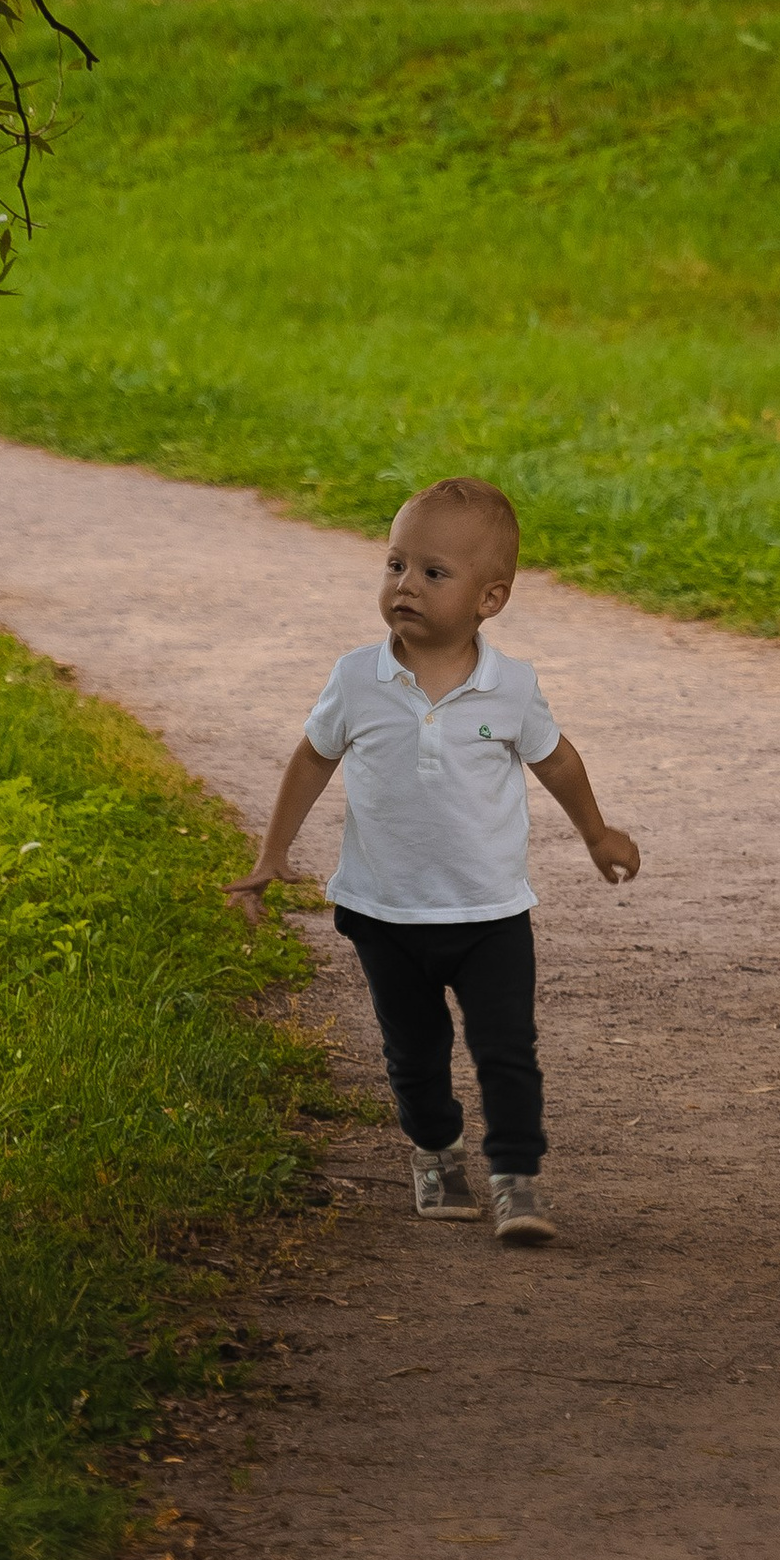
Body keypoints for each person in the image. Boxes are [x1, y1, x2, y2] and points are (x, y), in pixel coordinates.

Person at [226, 478, 639, 1244]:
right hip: (384, 913)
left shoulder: (510, 688)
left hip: (489, 914)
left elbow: (557, 763)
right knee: (414, 1054)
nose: (405, 586)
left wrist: (597, 833)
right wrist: (272, 851)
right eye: (394, 565)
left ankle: (517, 1181)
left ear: (491, 599)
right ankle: (436, 1153)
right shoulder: (357, 678)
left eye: (433, 573)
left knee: (508, 1051)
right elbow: (313, 758)